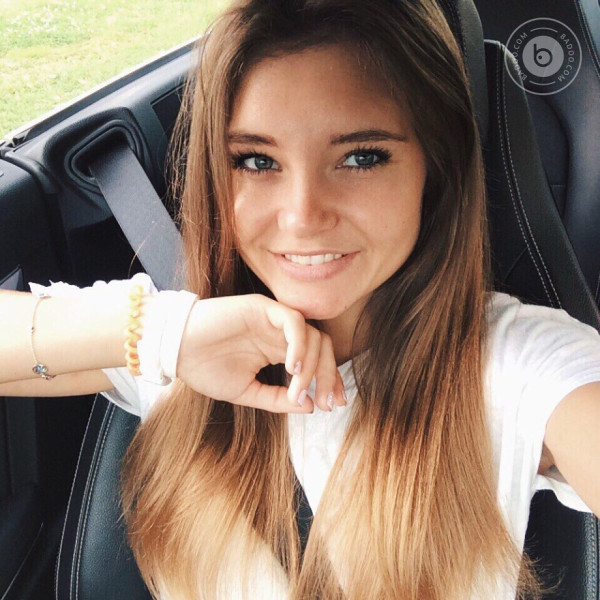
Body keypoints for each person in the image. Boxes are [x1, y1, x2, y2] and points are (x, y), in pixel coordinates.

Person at [1, 0, 599, 598]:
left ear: (434, 172)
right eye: (257, 161)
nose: (303, 215)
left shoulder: (518, 363)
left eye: (361, 157)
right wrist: (166, 336)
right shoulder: (182, 340)